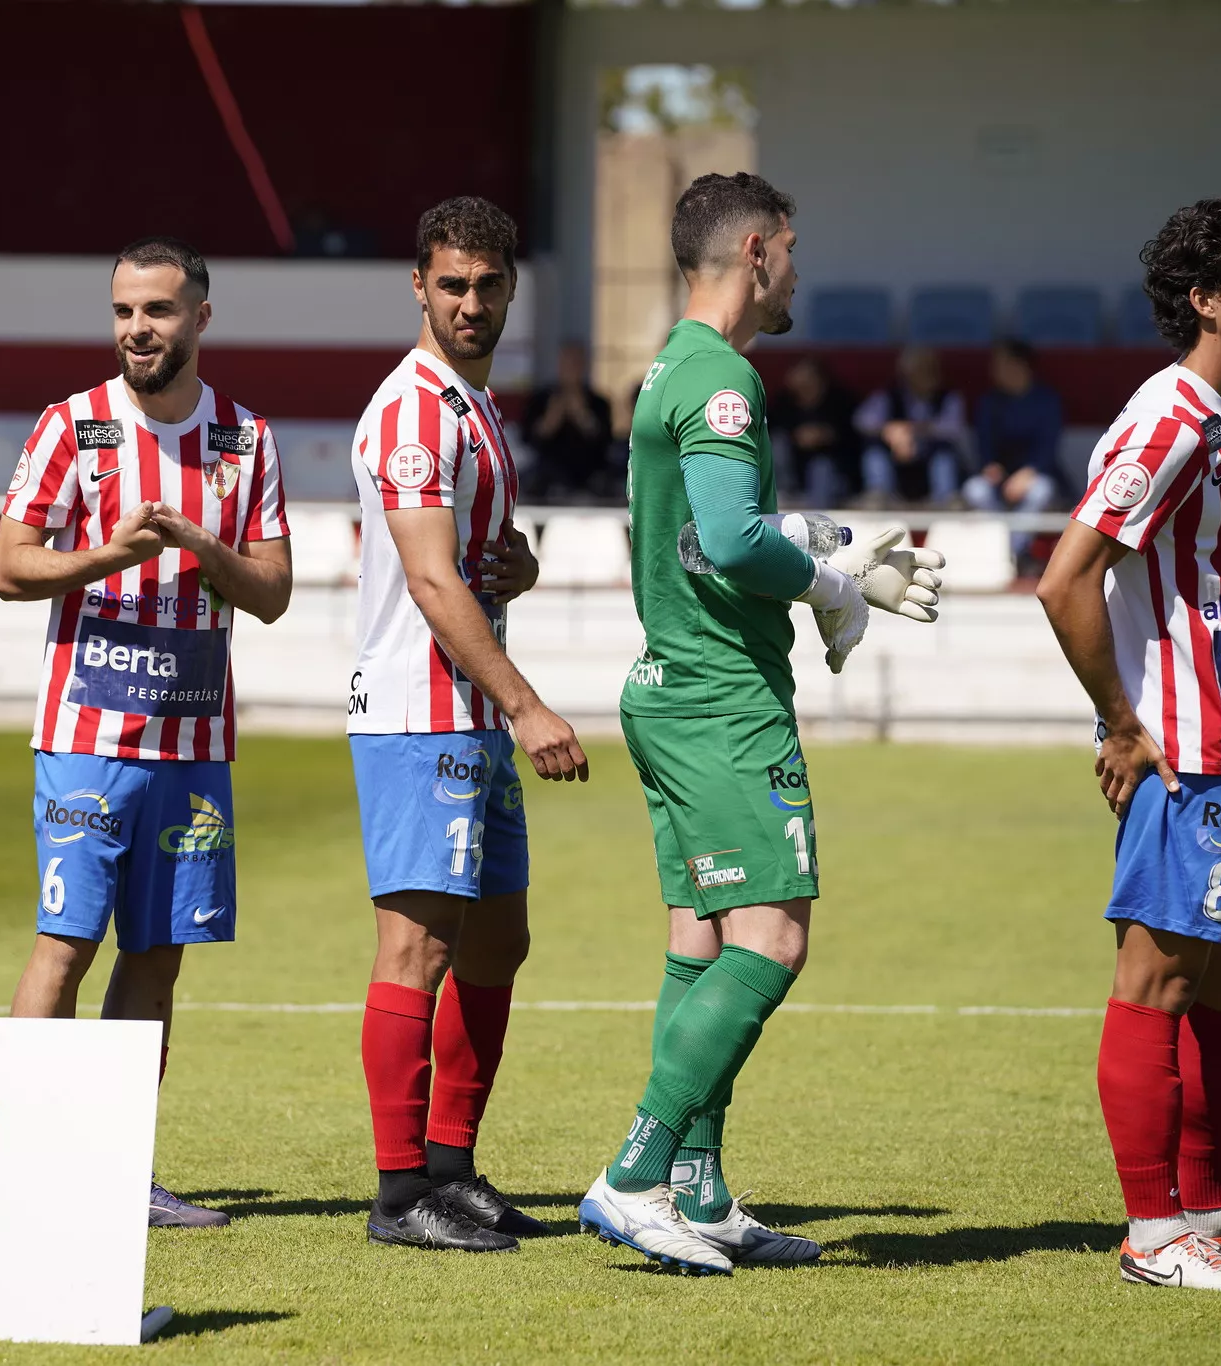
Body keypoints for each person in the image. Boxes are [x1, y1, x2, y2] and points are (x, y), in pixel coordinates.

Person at [577, 172, 943, 1275]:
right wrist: (824, 584)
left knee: (704, 936)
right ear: (751, 250)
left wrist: (816, 543)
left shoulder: (674, 368)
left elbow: (704, 531)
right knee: (773, 935)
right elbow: (733, 545)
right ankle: (632, 1175)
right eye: (789, 247)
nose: (796, 268)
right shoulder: (723, 376)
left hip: (669, 686)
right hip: (719, 698)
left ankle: (699, 1191)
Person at [1037, 194, 1221, 1293]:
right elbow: (1063, 579)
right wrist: (1119, 721)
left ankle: (1208, 1209)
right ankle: (1152, 1234)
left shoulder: (1220, 412)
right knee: (1154, 979)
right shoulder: (1166, 422)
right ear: (1205, 300)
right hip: (1182, 753)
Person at [0, 237, 292, 1230]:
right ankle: (22, 1160)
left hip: (192, 749)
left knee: (157, 956)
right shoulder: (71, 428)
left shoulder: (246, 440)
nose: (136, 328)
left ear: (200, 317)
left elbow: (274, 592)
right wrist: (106, 556)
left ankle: (121, 1168)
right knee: (64, 945)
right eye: (123, 310)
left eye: (157, 310)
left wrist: (205, 547)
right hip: (85, 735)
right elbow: (10, 564)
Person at [348, 196, 588, 1253]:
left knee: (499, 937)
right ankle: (399, 1196)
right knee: (415, 947)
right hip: (418, 710)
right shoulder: (411, 410)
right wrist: (525, 701)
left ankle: (451, 1165)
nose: (470, 303)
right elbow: (430, 582)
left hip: (465, 716)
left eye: (488, 285)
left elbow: (475, 568)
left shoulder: (473, 406)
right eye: (450, 284)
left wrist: (520, 565)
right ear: (417, 285)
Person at [964, 338, 1064, 568]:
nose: (996, 371)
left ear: (1021, 366)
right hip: (999, 478)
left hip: (1034, 474)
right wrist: (990, 465)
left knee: (1041, 490)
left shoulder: (1046, 400)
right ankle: (1004, 548)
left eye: (1003, 364)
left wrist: (1028, 472)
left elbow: (1048, 446)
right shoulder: (990, 401)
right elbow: (983, 442)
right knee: (975, 490)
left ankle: (1013, 551)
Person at [855, 346, 967, 506]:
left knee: (945, 453)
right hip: (896, 463)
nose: (923, 376)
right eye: (917, 370)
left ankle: (945, 500)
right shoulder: (889, 395)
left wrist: (912, 431)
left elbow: (954, 428)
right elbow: (861, 420)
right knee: (874, 451)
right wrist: (890, 431)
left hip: (930, 461)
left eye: (928, 369)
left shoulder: (949, 396)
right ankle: (879, 496)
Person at [520, 340, 615, 502]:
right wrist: (551, 419)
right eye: (567, 363)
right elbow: (529, 439)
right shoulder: (540, 399)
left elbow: (605, 441)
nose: (571, 369)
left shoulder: (599, 402)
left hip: (590, 471)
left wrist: (582, 415)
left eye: (576, 363)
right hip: (548, 471)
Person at [765, 355, 861, 506]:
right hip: (794, 466)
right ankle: (783, 494)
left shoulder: (840, 400)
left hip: (833, 468)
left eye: (808, 377)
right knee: (778, 443)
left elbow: (852, 434)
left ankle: (819, 510)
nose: (802, 382)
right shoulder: (783, 402)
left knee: (821, 466)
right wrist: (796, 435)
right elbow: (772, 429)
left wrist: (825, 435)